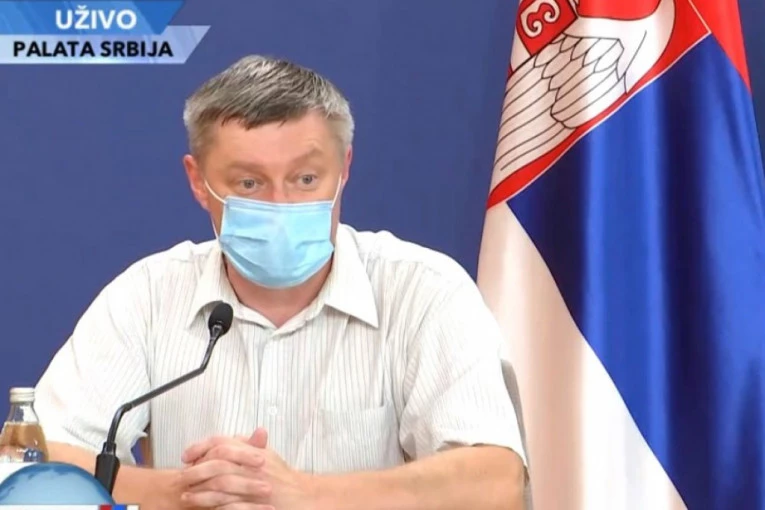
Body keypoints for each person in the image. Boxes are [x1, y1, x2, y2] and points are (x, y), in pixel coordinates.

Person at [34, 55, 528, 510]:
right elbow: (33, 462)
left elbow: (494, 482)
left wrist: (305, 495)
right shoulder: (146, 296)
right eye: (249, 184)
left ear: (345, 168)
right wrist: (186, 492)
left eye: (306, 179)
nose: (280, 205)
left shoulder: (425, 291)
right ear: (198, 181)